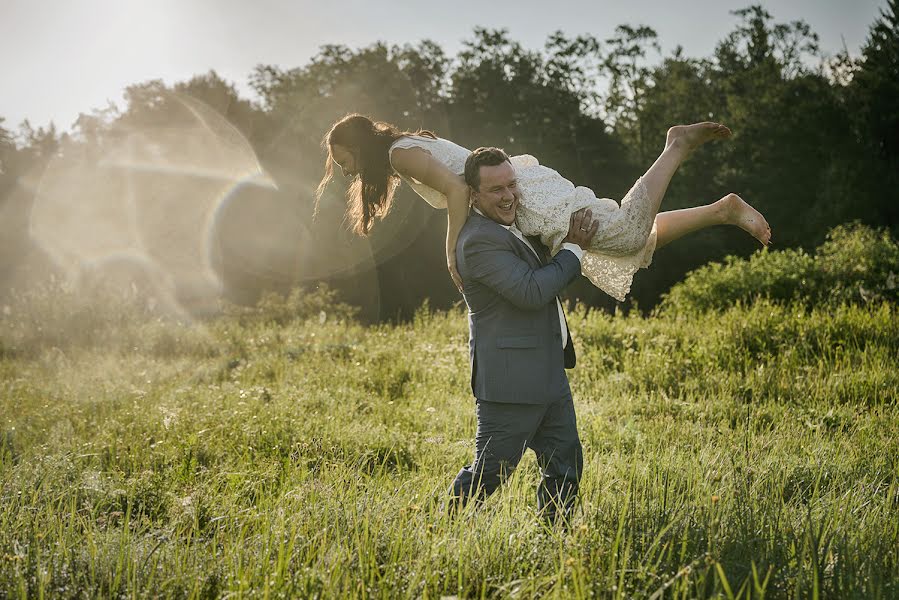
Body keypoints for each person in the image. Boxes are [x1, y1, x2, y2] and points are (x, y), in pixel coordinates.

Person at [316, 114, 771, 301]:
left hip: (515, 190)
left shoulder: (398, 154)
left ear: (357, 145)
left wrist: (451, 253)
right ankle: (720, 211)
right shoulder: (403, 148)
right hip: (511, 186)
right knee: (626, 244)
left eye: (343, 158)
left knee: (624, 235)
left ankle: (675, 144)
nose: (344, 169)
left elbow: (458, 191)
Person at [449, 146, 596, 522]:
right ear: (474, 195)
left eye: (511, 185)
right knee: (489, 474)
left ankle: (555, 537)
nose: (509, 195)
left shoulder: (519, 227)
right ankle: (444, 530)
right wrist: (574, 250)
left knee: (565, 464)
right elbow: (531, 292)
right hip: (510, 382)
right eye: (496, 189)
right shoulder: (477, 240)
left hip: (549, 374)